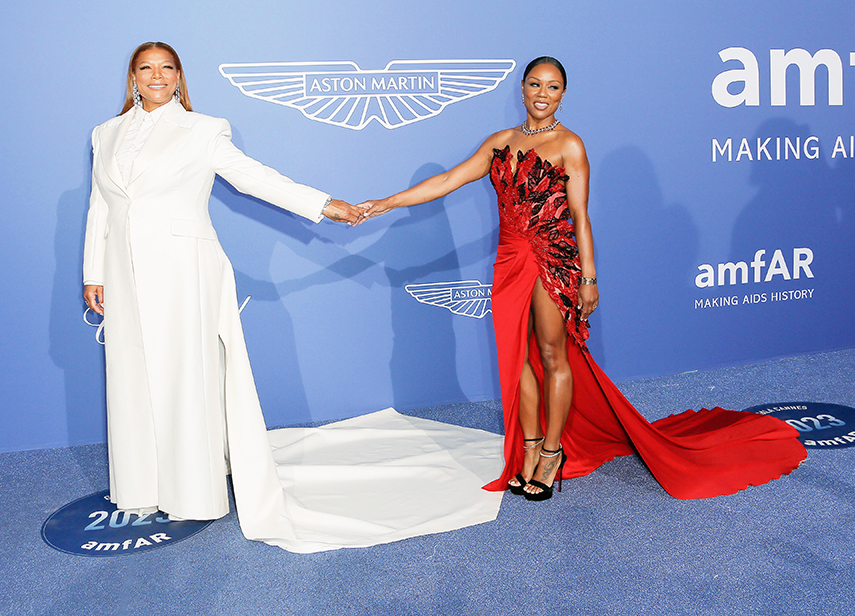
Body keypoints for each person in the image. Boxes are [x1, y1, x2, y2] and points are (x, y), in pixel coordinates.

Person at [359, 56, 807, 501]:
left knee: (553, 353)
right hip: (510, 259)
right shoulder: (499, 142)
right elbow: (449, 180)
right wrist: (387, 202)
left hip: (554, 260)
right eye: (535, 84)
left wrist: (588, 278)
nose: (542, 94)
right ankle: (530, 447)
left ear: (563, 94)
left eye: (552, 87)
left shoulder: (570, 145)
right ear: (522, 89)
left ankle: (552, 453)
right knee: (519, 359)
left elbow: (579, 215)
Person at [83, 41, 362, 522]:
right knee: (131, 376)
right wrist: (94, 270)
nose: (156, 76)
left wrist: (322, 204)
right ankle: (139, 485)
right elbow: (101, 204)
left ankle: (192, 492)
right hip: (121, 274)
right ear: (132, 76)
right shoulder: (104, 133)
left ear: (179, 77)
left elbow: (253, 177)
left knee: (185, 375)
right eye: (146, 68)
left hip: (184, 268)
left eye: (166, 68)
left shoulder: (203, 129)